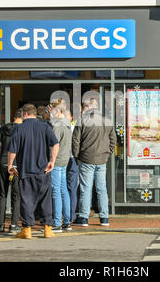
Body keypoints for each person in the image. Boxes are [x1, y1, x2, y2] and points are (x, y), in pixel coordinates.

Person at [7, 103, 60, 239]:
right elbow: (55, 144)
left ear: (24, 114)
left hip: (26, 171)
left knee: (26, 200)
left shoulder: (19, 129)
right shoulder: (45, 127)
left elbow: (12, 150)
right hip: (43, 170)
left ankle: (27, 229)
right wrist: (52, 161)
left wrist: (10, 165)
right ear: (35, 114)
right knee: (45, 200)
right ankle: (47, 228)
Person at [72, 97, 116, 227]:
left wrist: (76, 156)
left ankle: (84, 217)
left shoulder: (82, 120)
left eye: (84, 106)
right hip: (102, 159)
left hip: (86, 158)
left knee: (86, 188)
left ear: (87, 106)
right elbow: (113, 140)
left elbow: (75, 141)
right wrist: (108, 153)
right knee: (101, 188)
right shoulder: (107, 120)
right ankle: (104, 217)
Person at [0, 108, 23, 234]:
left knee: (2, 194)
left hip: (3, 164)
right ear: (22, 117)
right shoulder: (21, 130)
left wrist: (0, 160)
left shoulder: (3, 129)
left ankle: (0, 224)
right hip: (15, 165)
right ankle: (14, 224)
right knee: (16, 195)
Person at [49, 105, 73, 232]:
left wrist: (51, 160)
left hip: (57, 161)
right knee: (64, 190)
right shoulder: (68, 126)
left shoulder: (58, 127)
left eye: (53, 113)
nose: (51, 115)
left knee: (56, 191)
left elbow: (54, 144)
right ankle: (67, 222)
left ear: (59, 112)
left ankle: (57, 223)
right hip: (64, 160)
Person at [64, 109, 79, 224]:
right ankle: (71, 215)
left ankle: (65, 214)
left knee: (62, 188)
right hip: (73, 159)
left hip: (64, 159)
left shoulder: (59, 127)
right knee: (72, 188)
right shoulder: (75, 127)